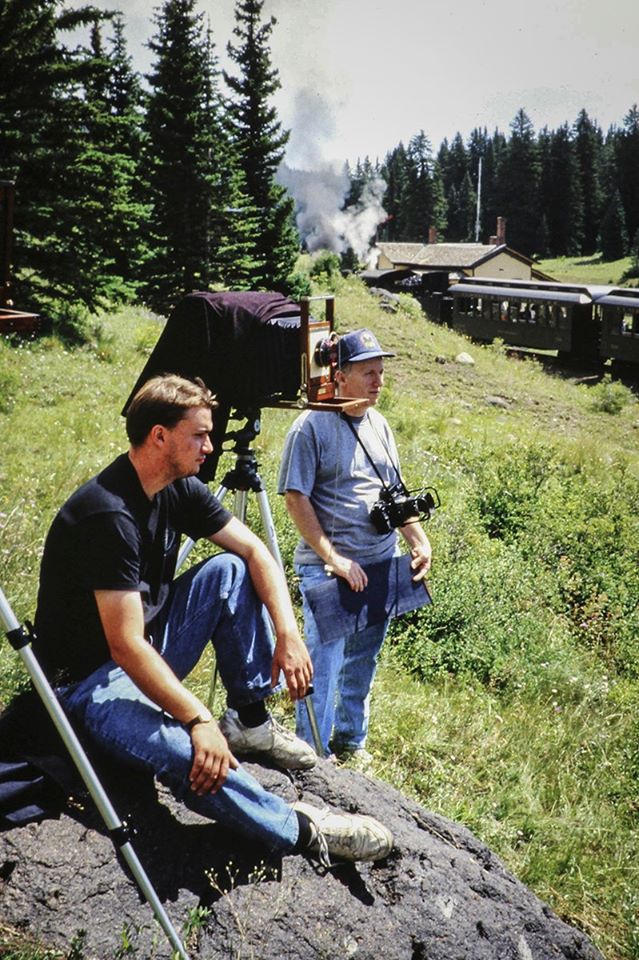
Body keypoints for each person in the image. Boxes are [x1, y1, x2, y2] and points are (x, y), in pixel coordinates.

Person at [32, 374, 392, 865]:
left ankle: (248, 719)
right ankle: (300, 828)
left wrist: (287, 633)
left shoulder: (174, 486)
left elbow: (256, 552)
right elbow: (125, 646)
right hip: (88, 686)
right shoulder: (108, 514)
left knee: (228, 568)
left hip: (142, 651)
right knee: (189, 752)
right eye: (199, 435)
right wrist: (198, 719)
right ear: (159, 436)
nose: (210, 445)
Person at [278, 328, 432, 766]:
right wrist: (334, 558)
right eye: (368, 373)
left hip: (379, 563)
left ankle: (350, 741)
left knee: (363, 659)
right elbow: (295, 497)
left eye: (381, 373)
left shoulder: (380, 425)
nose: (378, 382)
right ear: (339, 375)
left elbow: (395, 493)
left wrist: (418, 541)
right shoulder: (310, 427)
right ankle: (312, 754)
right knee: (324, 665)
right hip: (328, 570)